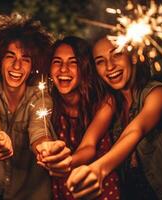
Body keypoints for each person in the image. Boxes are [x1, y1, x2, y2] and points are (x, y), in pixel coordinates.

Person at [0, 13, 71, 200]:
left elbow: (39, 130)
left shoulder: (40, 96)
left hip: (33, 193)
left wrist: (46, 148)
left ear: (34, 64)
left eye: (26, 59)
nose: (17, 65)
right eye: (10, 56)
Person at [66, 37, 162, 200]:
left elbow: (136, 130)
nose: (110, 66)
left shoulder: (157, 93)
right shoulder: (111, 104)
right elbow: (88, 144)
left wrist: (98, 169)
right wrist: (65, 162)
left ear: (132, 55)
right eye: (100, 61)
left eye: (116, 54)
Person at [36, 36, 120, 200]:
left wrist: (66, 163)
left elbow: (89, 146)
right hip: (63, 190)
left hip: (101, 188)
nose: (63, 69)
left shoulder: (103, 101)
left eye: (72, 62)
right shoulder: (48, 102)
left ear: (84, 67)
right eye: (57, 62)